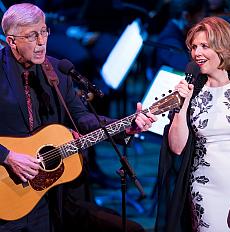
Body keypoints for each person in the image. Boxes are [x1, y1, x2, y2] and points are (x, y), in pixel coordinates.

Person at [0, 3, 157, 232]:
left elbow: (82, 118)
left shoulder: (55, 71)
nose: (42, 41)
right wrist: (8, 156)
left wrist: (125, 125)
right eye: (32, 36)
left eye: (44, 31)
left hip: (46, 195)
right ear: (11, 40)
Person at [154, 16, 230, 231]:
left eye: (204, 46)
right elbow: (177, 148)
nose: (197, 53)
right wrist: (183, 104)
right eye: (194, 47)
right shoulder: (193, 91)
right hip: (205, 189)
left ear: (223, 47)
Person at [152, 0, 209, 74]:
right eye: (200, 16)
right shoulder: (169, 41)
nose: (204, 21)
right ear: (186, 16)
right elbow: (188, 69)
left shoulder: (183, 32)